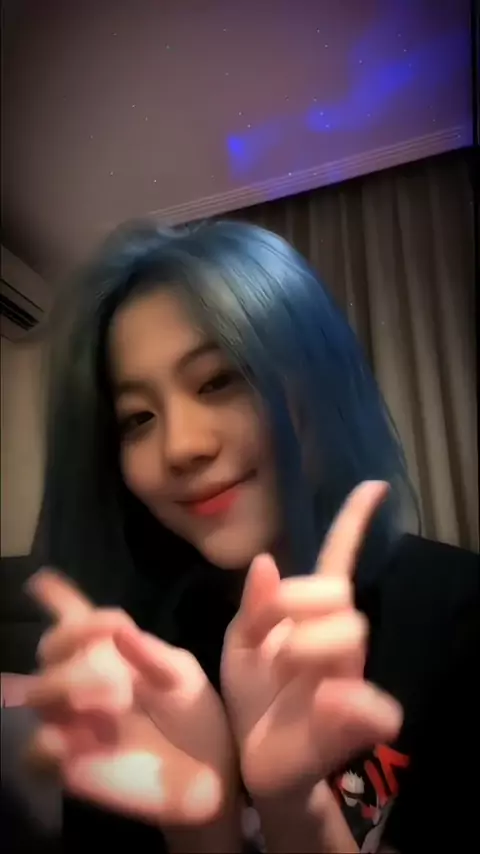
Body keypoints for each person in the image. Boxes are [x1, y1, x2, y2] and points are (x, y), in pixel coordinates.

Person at [24, 220, 478, 853]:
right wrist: (200, 826)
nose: (181, 446)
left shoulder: (458, 613)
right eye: (137, 418)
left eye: (218, 380)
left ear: (319, 380)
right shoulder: (133, 668)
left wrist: (295, 806)